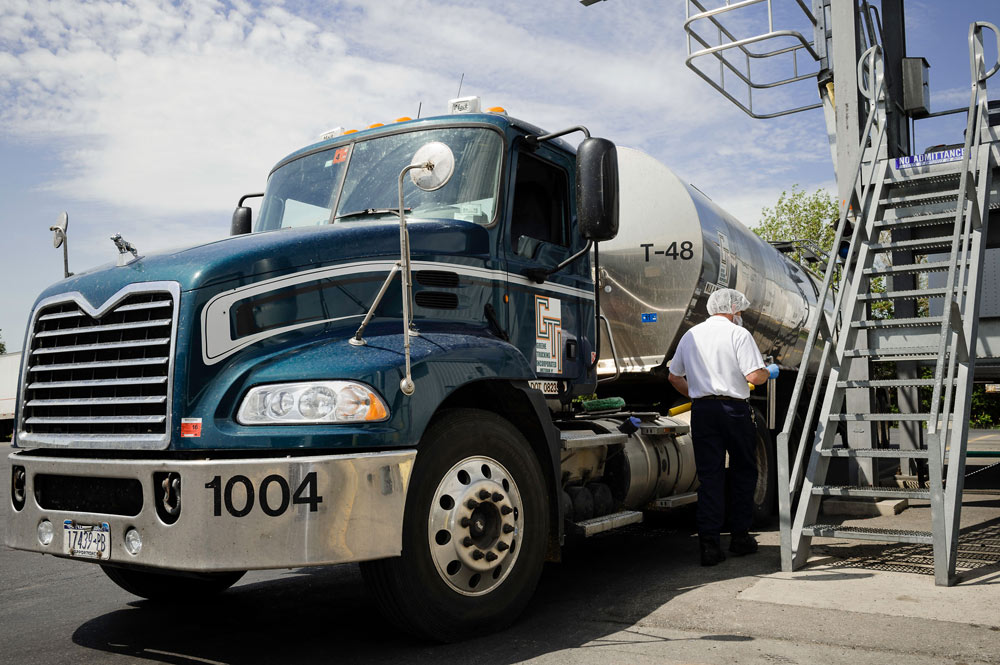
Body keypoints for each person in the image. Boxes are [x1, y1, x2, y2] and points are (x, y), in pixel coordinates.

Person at [667, 288, 779, 567]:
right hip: (734, 411)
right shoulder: (738, 334)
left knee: (710, 476)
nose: (740, 315)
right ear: (731, 310)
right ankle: (740, 538)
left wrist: (695, 392)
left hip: (703, 411)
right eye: (739, 310)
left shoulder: (691, 335)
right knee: (743, 471)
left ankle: (709, 545)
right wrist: (768, 371)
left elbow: (673, 376)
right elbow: (754, 375)